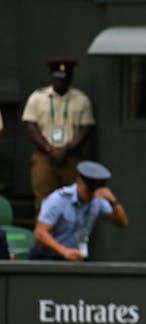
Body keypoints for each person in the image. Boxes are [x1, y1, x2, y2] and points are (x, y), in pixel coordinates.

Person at [22, 59, 95, 212]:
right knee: (44, 202)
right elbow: (30, 126)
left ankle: (71, 236)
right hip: (44, 157)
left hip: (71, 157)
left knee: (74, 201)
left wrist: (66, 150)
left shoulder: (81, 100)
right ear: (51, 76)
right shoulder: (37, 97)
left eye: (64, 78)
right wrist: (48, 148)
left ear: (70, 78)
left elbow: (86, 129)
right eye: (57, 78)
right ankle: (43, 235)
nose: (60, 81)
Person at [29, 160, 128, 260]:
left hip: (75, 258)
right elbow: (40, 233)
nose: (91, 196)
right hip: (48, 257)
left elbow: (122, 222)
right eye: (88, 191)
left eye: (94, 192)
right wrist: (65, 252)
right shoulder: (58, 200)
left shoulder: (97, 200)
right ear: (79, 182)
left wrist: (113, 202)